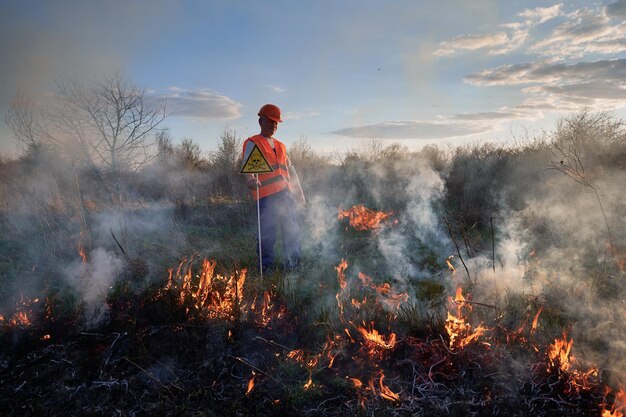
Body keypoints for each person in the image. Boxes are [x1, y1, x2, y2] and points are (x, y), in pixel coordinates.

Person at [242, 104, 305, 272]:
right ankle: (266, 268)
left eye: (276, 123)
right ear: (260, 121)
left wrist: (300, 192)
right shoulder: (252, 142)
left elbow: (291, 169)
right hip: (265, 196)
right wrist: (250, 181)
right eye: (271, 122)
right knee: (267, 234)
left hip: (285, 194)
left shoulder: (282, 146)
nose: (274, 126)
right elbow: (248, 166)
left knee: (291, 230)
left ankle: (293, 266)